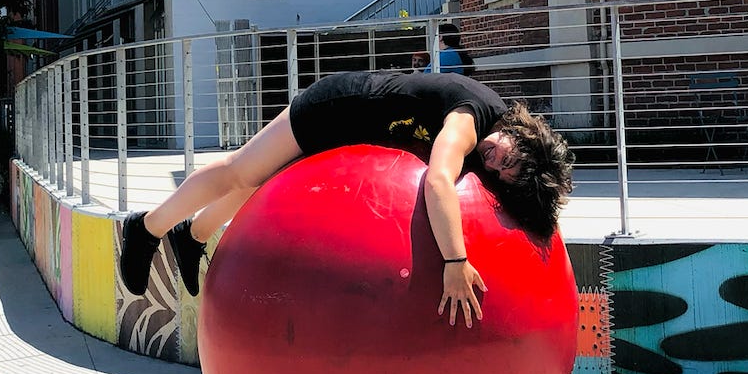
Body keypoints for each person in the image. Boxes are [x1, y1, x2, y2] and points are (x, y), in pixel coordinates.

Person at [117, 71, 574, 326]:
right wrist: (456, 263)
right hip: (336, 108)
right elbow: (437, 182)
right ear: (524, 136)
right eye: (506, 157)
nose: (492, 160)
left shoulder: (489, 147)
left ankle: (192, 235)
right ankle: (146, 228)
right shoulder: (471, 118)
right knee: (244, 170)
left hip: (356, 142)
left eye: (499, 172)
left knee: (262, 185)